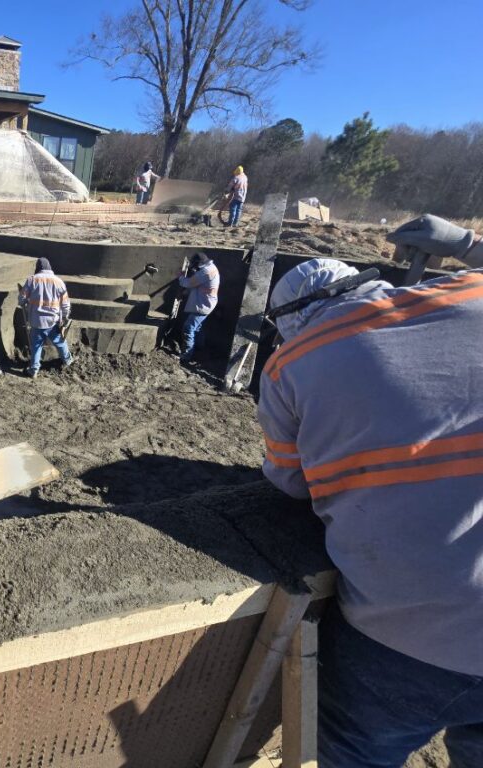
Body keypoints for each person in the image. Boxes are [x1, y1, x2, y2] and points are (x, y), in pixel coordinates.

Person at [257, 214, 483, 768]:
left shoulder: (292, 365)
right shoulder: (473, 291)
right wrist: (469, 245)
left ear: (294, 321)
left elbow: (290, 483)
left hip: (405, 634)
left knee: (354, 753)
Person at [19, 257, 73, 379]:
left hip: (36, 321)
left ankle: (34, 370)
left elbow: (21, 299)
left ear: (38, 267)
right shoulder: (59, 282)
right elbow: (65, 303)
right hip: (52, 321)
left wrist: (24, 302)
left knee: (36, 346)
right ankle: (68, 361)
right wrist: (65, 316)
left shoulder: (31, 280)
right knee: (60, 342)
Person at [176, 252, 219, 362]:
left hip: (203, 305)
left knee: (188, 328)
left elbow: (188, 283)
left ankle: (186, 355)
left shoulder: (205, 272)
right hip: (207, 303)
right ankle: (199, 349)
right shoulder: (211, 267)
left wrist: (180, 277)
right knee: (197, 327)